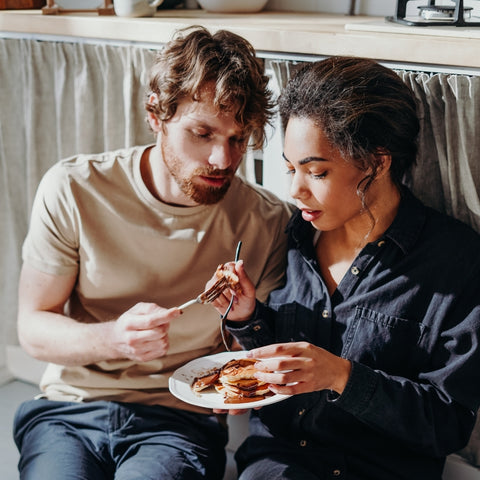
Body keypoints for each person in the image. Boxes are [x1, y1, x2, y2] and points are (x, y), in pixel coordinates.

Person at [13, 26, 293, 480]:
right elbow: (32, 327)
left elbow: (263, 357)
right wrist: (115, 339)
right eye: (201, 133)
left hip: (181, 420)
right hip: (70, 410)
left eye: (238, 139)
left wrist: (245, 318)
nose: (222, 159)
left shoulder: (268, 221)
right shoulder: (73, 189)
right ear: (156, 116)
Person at [210, 57, 480, 480]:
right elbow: (281, 368)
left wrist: (342, 377)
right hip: (277, 464)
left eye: (316, 172)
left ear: (377, 162)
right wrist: (248, 318)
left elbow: (447, 424)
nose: (295, 190)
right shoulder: (294, 237)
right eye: (289, 168)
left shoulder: (455, 260)